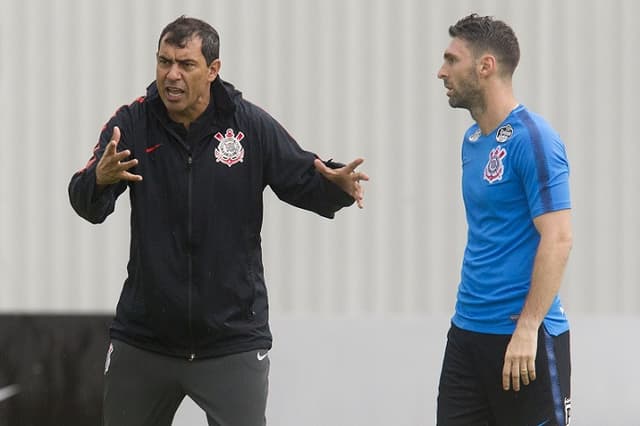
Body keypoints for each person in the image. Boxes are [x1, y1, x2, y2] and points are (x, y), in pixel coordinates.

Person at [68, 16, 368, 426]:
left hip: (232, 340)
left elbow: (302, 177)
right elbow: (86, 201)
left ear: (213, 70)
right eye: (163, 61)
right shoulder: (131, 125)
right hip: (145, 340)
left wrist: (339, 186)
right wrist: (98, 181)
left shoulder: (249, 125)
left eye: (185, 64)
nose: (171, 75)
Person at [435, 14, 573, 426]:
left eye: (451, 60)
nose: (440, 72)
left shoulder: (535, 139)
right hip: (467, 333)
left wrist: (529, 328)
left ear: (485, 66)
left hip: (523, 339)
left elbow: (559, 238)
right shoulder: (472, 141)